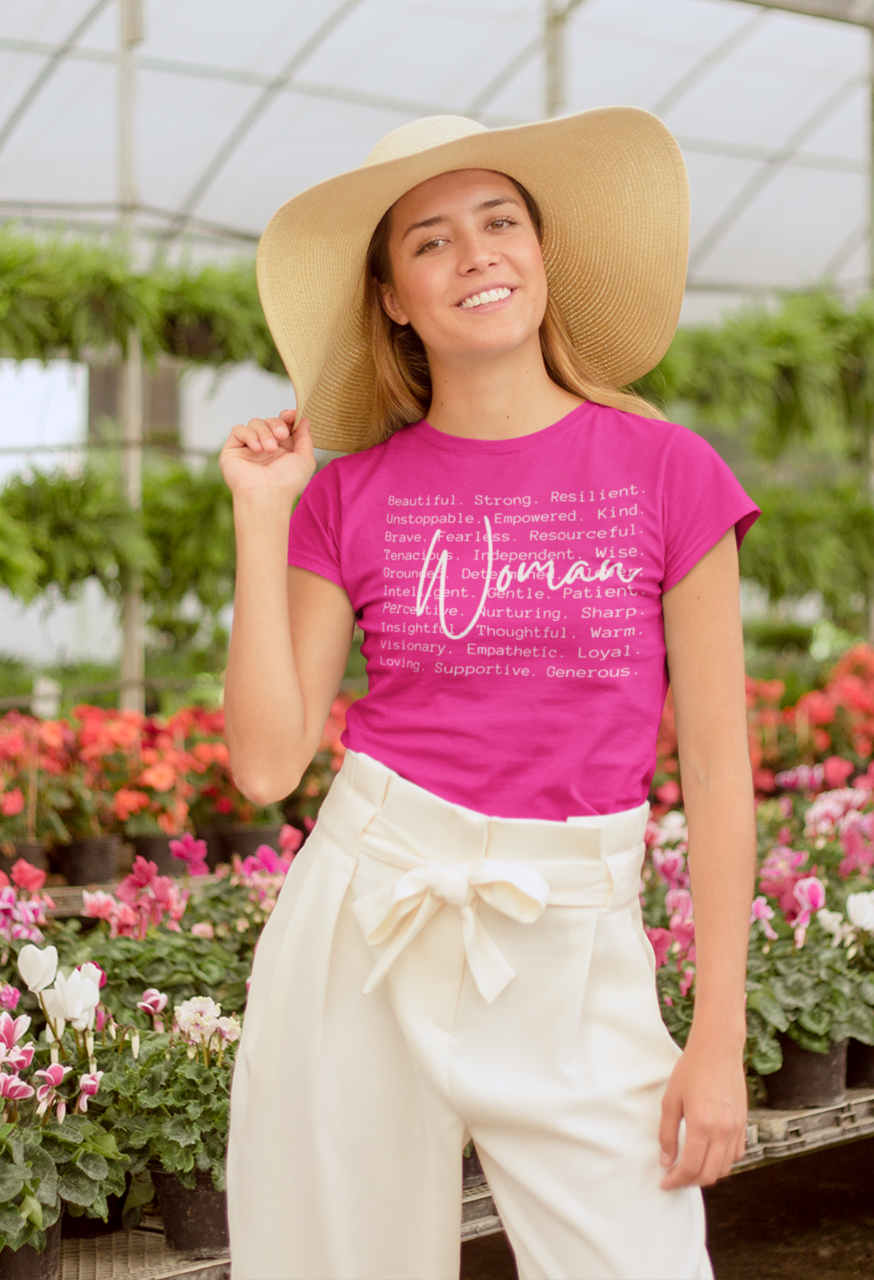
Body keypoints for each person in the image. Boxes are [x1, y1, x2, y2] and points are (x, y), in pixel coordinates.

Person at [220, 109, 758, 1280]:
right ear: (394, 300)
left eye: (499, 221)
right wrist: (261, 520)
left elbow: (716, 770)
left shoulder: (668, 472)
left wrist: (715, 1034)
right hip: (367, 915)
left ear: (543, 254)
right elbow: (265, 764)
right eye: (429, 239)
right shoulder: (344, 498)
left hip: (573, 939)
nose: (475, 254)